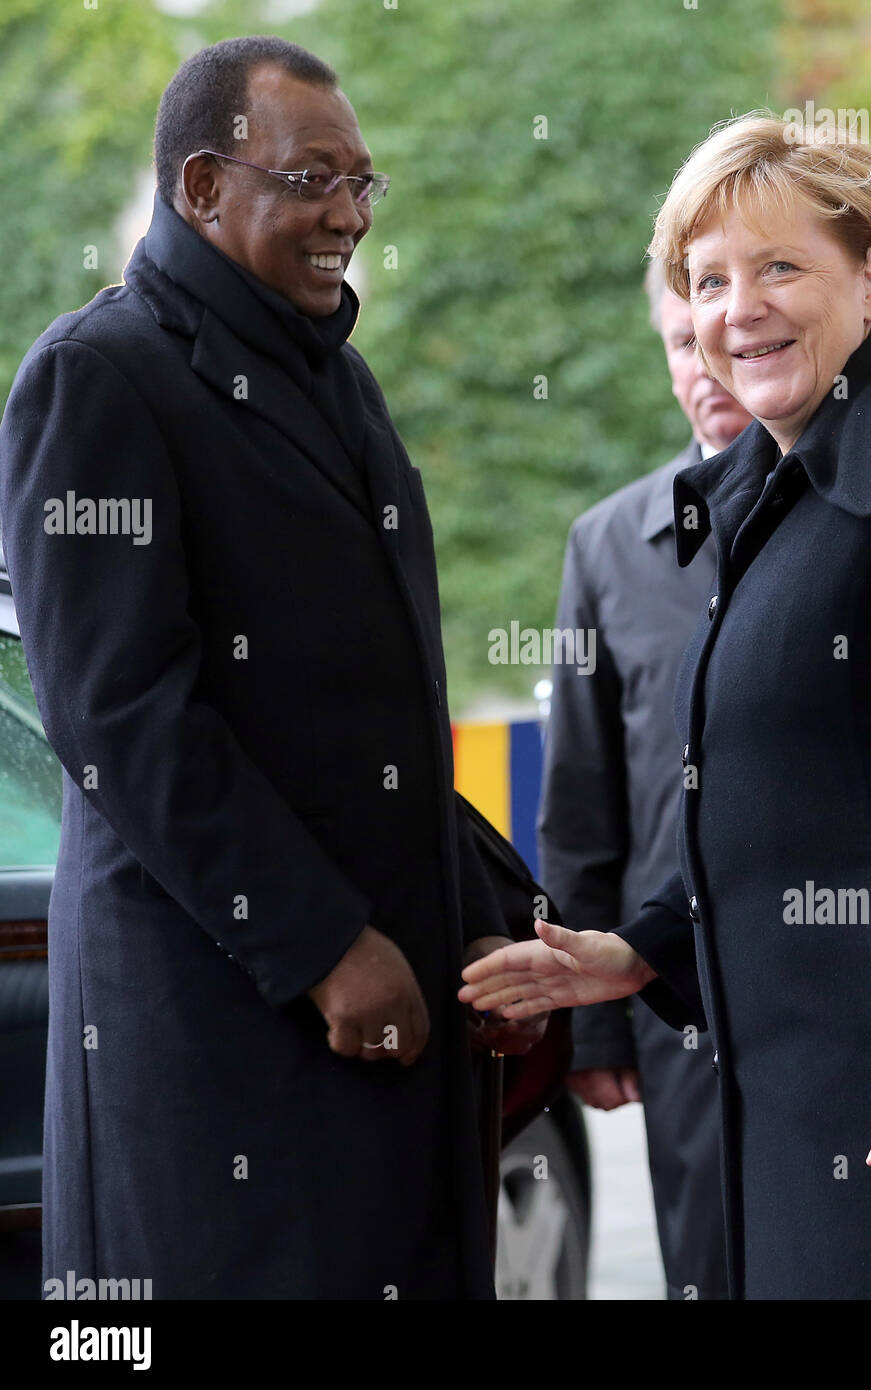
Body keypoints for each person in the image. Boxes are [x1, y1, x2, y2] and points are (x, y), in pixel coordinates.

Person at [462, 111, 871, 1300]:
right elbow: (799, 799)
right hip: (801, 1095)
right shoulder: (782, 486)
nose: (734, 307)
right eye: (705, 279)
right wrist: (638, 951)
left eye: (778, 266)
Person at [0, 35, 542, 1300]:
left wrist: (496, 928)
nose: (348, 215)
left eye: (363, 183)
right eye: (312, 180)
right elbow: (123, 718)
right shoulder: (97, 379)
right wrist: (316, 947)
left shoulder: (339, 379)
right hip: (229, 1035)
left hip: (388, 1020)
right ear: (200, 185)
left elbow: (372, 720)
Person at [536, 260, 751, 1299]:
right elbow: (582, 798)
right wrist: (593, 1020)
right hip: (679, 997)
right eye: (677, 341)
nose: (702, 363)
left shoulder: (860, 520)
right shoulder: (607, 547)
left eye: (715, 336)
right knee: (706, 1264)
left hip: (844, 982)